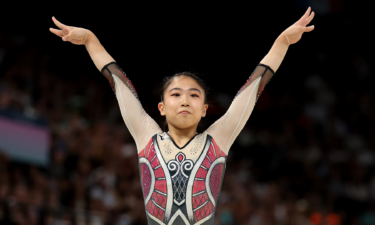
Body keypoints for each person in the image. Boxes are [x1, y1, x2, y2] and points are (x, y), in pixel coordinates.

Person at [50, 7, 315, 225]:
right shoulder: (147, 136)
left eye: (194, 95)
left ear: (205, 110)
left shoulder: (217, 139)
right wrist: (89, 40)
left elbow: (254, 87)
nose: (185, 100)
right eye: (175, 94)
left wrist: (282, 43)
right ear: (161, 107)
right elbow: (118, 82)